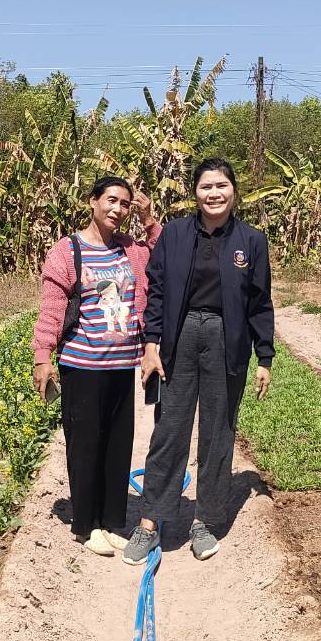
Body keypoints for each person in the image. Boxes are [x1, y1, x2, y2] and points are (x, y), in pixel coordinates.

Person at [122, 157, 274, 565]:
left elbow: (260, 302)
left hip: (228, 341)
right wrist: (151, 344)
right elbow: (154, 293)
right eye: (206, 186)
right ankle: (150, 522)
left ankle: (205, 521)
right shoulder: (173, 235)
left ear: (234, 191)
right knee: (170, 429)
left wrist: (265, 356)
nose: (214, 194)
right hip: (180, 337)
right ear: (195, 192)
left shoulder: (251, 241)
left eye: (221, 186)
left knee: (218, 433)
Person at [33, 177, 160, 556]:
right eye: (110, 201)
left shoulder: (132, 252)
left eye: (124, 204)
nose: (117, 210)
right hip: (82, 365)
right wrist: (43, 357)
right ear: (92, 202)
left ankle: (110, 521)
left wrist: (150, 218)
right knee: (85, 446)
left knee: (118, 447)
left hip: (122, 366)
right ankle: (86, 525)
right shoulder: (67, 251)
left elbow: (167, 254)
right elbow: (52, 310)